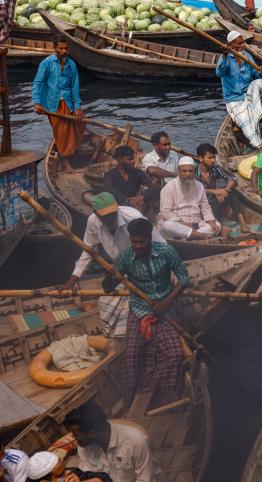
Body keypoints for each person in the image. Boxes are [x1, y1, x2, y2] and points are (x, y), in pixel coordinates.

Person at [112, 218, 189, 406]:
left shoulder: (166, 252)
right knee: (130, 357)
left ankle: (163, 398)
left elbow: (184, 279)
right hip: (139, 311)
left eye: (142, 242)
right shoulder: (124, 257)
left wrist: (165, 302)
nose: (138, 246)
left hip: (165, 312)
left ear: (149, 238)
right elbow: (108, 287)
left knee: (174, 355)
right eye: (134, 241)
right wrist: (109, 277)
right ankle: (130, 403)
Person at [63, 192, 166, 291]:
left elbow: (161, 245)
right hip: (120, 271)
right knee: (106, 301)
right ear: (96, 214)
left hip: (146, 266)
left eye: (113, 214)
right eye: (105, 216)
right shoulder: (93, 221)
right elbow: (88, 251)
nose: (110, 218)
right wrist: (72, 281)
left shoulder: (134, 218)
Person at [67, 401, 162, 482]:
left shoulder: (135, 442)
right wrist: (79, 477)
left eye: (76, 434)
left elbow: (146, 479)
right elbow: (90, 474)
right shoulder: (85, 446)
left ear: (92, 433)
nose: (73, 437)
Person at [32, 36, 84, 171]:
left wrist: (77, 107)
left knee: (80, 122)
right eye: (60, 48)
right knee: (62, 130)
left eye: (66, 48)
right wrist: (37, 102)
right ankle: (65, 159)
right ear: (54, 48)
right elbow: (38, 83)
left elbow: (75, 87)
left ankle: (69, 151)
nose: (63, 51)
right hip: (52, 104)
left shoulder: (71, 65)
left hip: (69, 102)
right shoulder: (47, 63)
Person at [216, 31, 262, 149]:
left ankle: (251, 105)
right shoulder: (225, 57)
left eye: (243, 43)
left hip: (248, 94)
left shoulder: (247, 56)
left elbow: (256, 75)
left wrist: (261, 72)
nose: (242, 45)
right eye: (239, 44)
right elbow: (219, 73)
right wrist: (224, 55)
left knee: (260, 83)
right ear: (231, 45)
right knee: (246, 122)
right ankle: (258, 145)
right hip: (234, 98)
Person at [158, 157, 221, 240]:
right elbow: (165, 212)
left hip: (197, 225)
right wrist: (184, 224)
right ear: (179, 172)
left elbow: (205, 207)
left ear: (194, 172)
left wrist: (211, 221)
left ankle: (189, 236)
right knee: (166, 226)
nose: (187, 174)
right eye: (184, 171)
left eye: (190, 171)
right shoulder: (169, 187)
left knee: (217, 225)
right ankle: (199, 236)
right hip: (178, 225)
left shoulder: (199, 186)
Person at [196, 143, 249, 233]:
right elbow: (193, 191)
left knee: (232, 191)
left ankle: (243, 224)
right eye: (209, 158)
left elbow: (233, 178)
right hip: (202, 207)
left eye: (214, 157)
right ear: (201, 158)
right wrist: (214, 192)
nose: (213, 161)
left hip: (216, 203)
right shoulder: (193, 173)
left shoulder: (215, 168)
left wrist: (226, 190)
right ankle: (217, 223)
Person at [103, 145, 155, 215]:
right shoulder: (110, 175)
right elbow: (109, 190)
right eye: (129, 159)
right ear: (119, 159)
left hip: (133, 205)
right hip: (116, 207)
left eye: (133, 158)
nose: (133, 161)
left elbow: (151, 186)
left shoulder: (138, 173)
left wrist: (143, 197)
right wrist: (127, 200)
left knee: (142, 204)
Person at [26, 451, 112, 482]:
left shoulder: (69, 473)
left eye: (65, 469)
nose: (68, 472)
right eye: (61, 474)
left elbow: (104, 477)